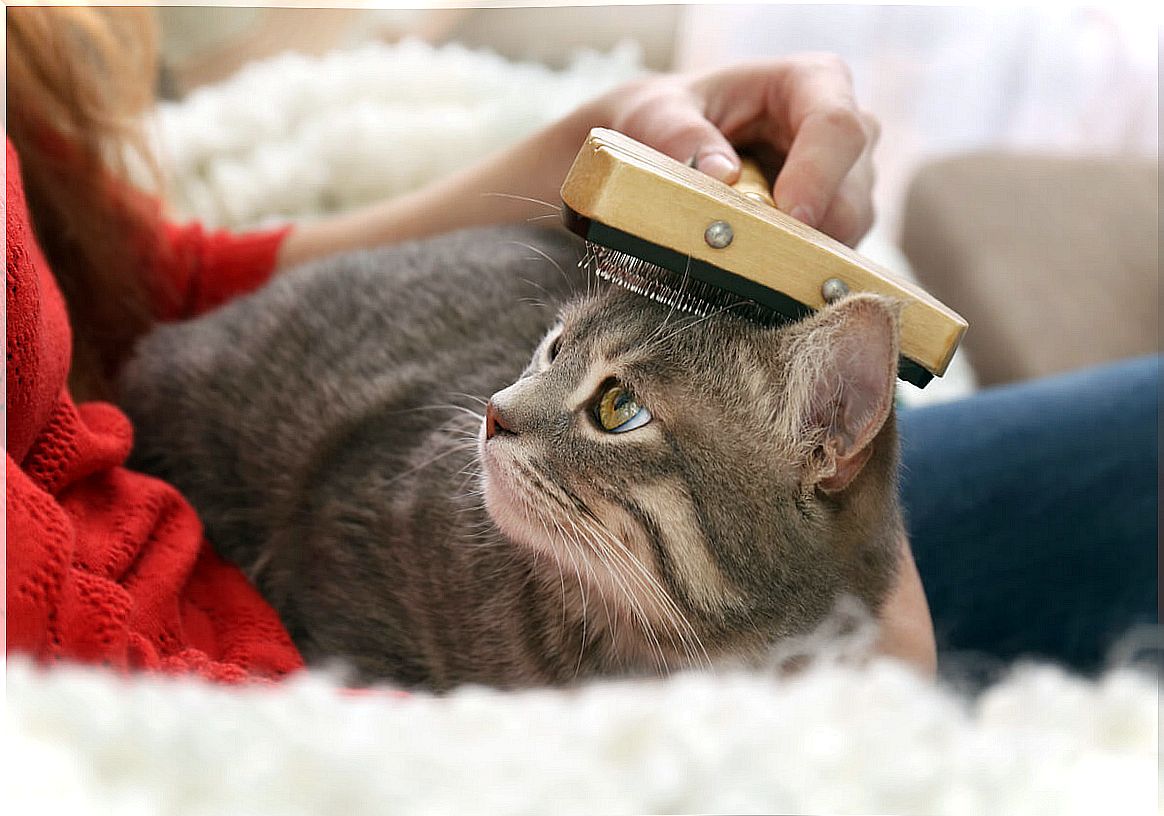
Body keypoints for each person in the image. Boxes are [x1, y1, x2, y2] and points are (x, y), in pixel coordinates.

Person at [7, 7, 935, 682]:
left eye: (609, 404)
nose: (500, 411)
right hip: (249, 648)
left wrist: (584, 146)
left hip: (717, 562)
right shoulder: (456, 599)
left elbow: (94, 272)